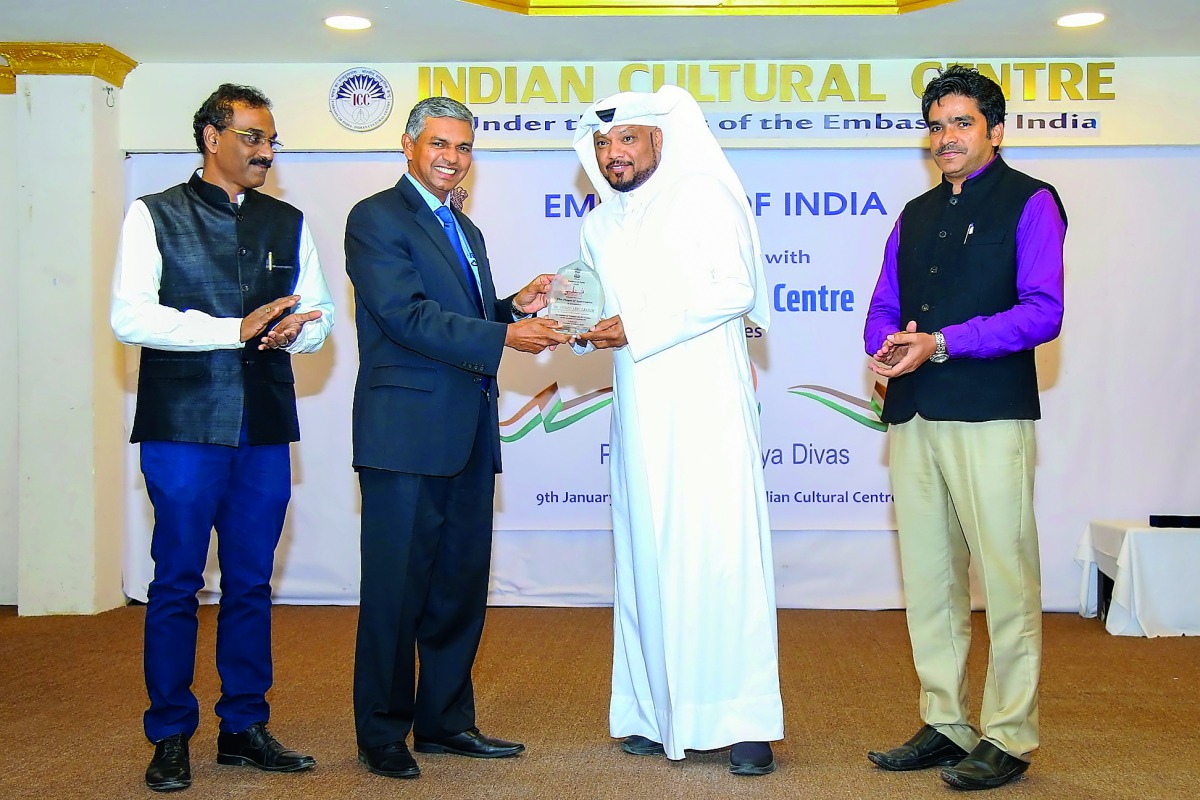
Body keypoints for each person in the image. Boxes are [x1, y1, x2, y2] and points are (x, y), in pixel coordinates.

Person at [111, 83, 334, 793]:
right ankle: (170, 733)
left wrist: (304, 331)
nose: (266, 152)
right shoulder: (152, 216)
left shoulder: (288, 221)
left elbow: (322, 314)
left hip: (263, 429)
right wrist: (228, 331)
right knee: (176, 583)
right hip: (181, 427)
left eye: (272, 141)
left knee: (250, 584)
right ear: (212, 137)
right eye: (253, 137)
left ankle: (243, 727)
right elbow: (130, 318)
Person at [345, 96, 568, 780]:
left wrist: (510, 308)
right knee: (397, 591)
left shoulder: (464, 231)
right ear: (409, 146)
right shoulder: (376, 218)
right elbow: (407, 317)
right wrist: (504, 334)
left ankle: (444, 722)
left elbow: (458, 320)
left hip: (468, 433)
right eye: (439, 144)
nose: (452, 157)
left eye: (463, 147)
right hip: (405, 437)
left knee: (458, 587)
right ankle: (383, 732)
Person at [862, 65, 1066, 791]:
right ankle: (945, 721)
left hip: (988, 413)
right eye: (938, 125)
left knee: (1006, 578)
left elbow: (1044, 311)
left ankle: (1008, 733)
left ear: (995, 131)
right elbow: (882, 305)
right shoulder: (915, 213)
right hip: (914, 414)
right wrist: (886, 344)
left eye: (962, 124)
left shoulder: (1031, 202)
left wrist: (943, 341)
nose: (946, 138)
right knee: (931, 579)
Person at [570, 85, 784, 776]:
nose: (614, 154)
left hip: (708, 402)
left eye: (626, 139)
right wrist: (570, 308)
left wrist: (638, 323)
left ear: (659, 140)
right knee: (645, 552)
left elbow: (732, 290)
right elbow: (602, 309)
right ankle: (653, 711)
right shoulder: (599, 226)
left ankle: (744, 721)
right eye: (603, 144)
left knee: (721, 554)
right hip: (638, 406)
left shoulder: (703, 197)